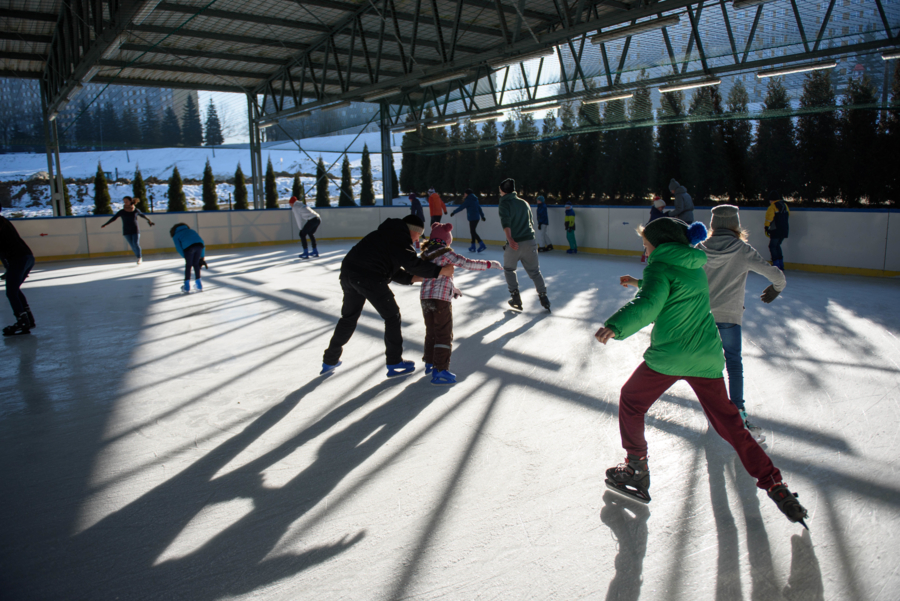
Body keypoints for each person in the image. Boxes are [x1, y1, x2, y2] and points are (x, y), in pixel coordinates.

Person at [594, 217, 808, 528]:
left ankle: (636, 467)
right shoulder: (695, 266)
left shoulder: (658, 267)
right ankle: (775, 483)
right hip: (706, 355)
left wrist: (616, 325)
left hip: (671, 355)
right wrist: (639, 282)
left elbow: (651, 302)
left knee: (631, 400)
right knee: (731, 425)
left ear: (660, 245)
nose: (645, 249)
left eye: (646, 244)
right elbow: (675, 290)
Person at [321, 215, 454, 378]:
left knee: (348, 317)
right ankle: (394, 361)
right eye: (418, 235)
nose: (417, 240)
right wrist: (441, 271)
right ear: (413, 230)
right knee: (392, 316)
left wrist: (418, 278)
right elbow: (412, 264)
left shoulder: (386, 234)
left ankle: (330, 360)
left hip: (349, 274)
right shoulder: (400, 237)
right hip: (369, 277)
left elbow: (393, 271)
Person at [699, 205, 786, 444]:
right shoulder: (742, 250)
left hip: (702, 317)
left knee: (707, 365)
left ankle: (713, 408)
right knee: (733, 363)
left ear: (713, 224)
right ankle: (737, 409)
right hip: (729, 317)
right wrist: (777, 288)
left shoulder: (700, 249)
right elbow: (776, 276)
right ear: (735, 224)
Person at [418, 223, 502, 385]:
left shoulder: (425, 255)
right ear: (446, 240)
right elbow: (466, 263)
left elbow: (436, 277)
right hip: (440, 299)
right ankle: (440, 370)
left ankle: (429, 362)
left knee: (432, 330)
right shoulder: (445, 253)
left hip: (425, 298)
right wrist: (489, 264)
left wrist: (453, 289)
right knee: (444, 333)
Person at [498, 178, 550, 312]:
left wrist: (510, 239)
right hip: (530, 242)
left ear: (503, 190)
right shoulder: (524, 203)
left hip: (514, 243)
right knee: (535, 272)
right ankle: (544, 297)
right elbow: (531, 222)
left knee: (509, 269)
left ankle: (515, 298)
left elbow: (506, 221)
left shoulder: (504, 203)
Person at [0, 209, 35, 336]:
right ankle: (28, 319)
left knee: (11, 292)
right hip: (27, 257)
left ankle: (23, 321)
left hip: (18, 259)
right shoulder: (4, 221)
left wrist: (10, 268)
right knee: (15, 290)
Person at [100, 195, 155, 264]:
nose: (125, 202)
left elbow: (142, 215)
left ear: (130, 201)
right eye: (124, 201)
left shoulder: (135, 210)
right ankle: (138, 256)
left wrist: (149, 220)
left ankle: (139, 257)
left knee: (135, 244)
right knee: (132, 246)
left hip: (135, 229)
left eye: (126, 201)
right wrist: (105, 224)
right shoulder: (122, 211)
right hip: (126, 231)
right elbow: (114, 218)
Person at [170, 223, 205, 293]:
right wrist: (202, 256)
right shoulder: (191, 231)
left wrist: (185, 256)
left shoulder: (176, 235)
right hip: (199, 246)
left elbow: (179, 248)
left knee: (188, 266)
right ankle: (199, 285)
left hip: (189, 248)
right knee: (196, 265)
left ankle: (186, 287)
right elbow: (201, 242)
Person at [450, 188, 487, 253]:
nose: (464, 195)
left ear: (467, 194)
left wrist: (454, 212)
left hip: (472, 218)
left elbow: (461, 207)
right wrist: (482, 216)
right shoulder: (475, 199)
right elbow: (479, 208)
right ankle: (473, 246)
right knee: (472, 231)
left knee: (473, 231)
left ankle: (481, 244)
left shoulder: (468, 200)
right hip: (476, 218)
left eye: (465, 193)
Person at [764, 190, 790, 271]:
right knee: (777, 245)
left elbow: (769, 218)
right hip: (784, 230)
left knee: (772, 246)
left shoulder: (772, 207)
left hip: (775, 230)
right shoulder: (785, 205)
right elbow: (788, 215)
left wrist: (766, 227)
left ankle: (776, 265)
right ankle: (781, 264)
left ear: (771, 199)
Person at [642, 197, 667, 263]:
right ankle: (645, 257)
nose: (662, 209)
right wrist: (668, 214)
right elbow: (660, 218)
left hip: (653, 230)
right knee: (649, 244)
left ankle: (647, 257)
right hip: (650, 230)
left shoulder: (658, 212)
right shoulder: (655, 213)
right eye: (661, 207)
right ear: (658, 206)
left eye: (663, 207)